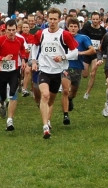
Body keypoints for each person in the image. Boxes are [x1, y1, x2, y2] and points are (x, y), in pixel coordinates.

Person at [29, 7, 79, 139]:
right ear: (47, 19)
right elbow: (35, 46)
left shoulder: (65, 34)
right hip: (44, 69)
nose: (52, 22)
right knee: (44, 96)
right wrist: (34, 60)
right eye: (50, 19)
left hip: (58, 71)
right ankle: (45, 127)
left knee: (51, 100)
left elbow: (75, 52)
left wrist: (63, 57)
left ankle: (48, 120)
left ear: (59, 19)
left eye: (55, 19)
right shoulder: (41, 33)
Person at [0, 19, 29, 130]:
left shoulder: (20, 40)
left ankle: (10, 121)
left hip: (14, 71)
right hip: (1, 71)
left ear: (17, 29)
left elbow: (23, 50)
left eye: (13, 30)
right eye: (9, 30)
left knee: (13, 94)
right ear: (5, 30)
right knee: (3, 94)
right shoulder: (0, 40)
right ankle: (1, 100)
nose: (11, 33)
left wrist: (23, 60)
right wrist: (2, 58)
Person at [61, 18, 95, 124]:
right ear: (67, 27)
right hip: (65, 67)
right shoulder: (62, 37)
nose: (73, 28)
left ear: (78, 28)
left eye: (75, 26)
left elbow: (92, 50)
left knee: (73, 92)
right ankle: (66, 115)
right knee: (65, 90)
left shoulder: (83, 38)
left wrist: (80, 53)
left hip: (77, 68)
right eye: (71, 26)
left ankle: (70, 99)